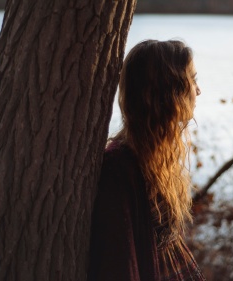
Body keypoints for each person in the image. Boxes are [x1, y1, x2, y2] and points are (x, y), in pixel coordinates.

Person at [88, 40, 205, 281]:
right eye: (192, 80)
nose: (199, 90)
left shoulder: (155, 157)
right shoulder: (119, 167)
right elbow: (119, 263)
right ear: (170, 90)